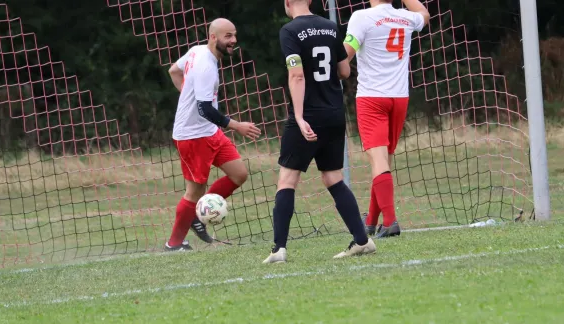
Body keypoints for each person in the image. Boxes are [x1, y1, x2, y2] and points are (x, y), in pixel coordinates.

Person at [263, 0, 377, 263]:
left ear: (287, 2)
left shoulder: (289, 31)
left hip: (309, 115)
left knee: (287, 180)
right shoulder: (329, 26)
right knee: (333, 177)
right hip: (334, 113)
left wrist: (300, 117)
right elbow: (345, 70)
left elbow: (297, 75)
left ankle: (278, 249)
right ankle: (362, 240)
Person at [165, 18, 261, 252]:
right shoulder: (206, 64)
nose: (234, 41)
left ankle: (200, 213)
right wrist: (237, 125)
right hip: (191, 136)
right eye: (228, 36)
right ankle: (174, 244)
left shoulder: (197, 51)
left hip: (209, 131)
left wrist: (187, 93)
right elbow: (205, 109)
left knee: (239, 174)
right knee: (194, 190)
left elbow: (174, 70)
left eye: (234, 35)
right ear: (213, 37)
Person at [343, 0, 430, 238]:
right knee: (383, 161)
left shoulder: (361, 17)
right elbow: (424, 13)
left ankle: (390, 222)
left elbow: (346, 54)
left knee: (378, 161)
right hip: (399, 98)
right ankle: (370, 221)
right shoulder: (407, 18)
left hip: (372, 98)